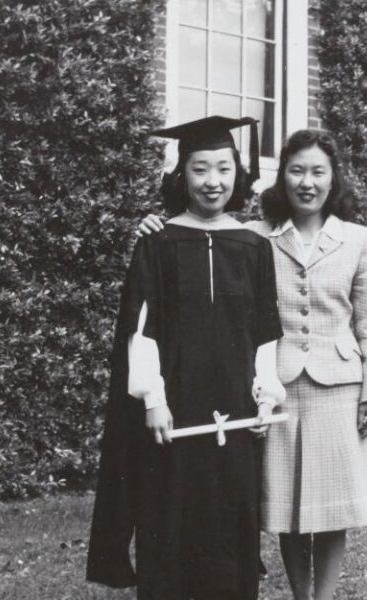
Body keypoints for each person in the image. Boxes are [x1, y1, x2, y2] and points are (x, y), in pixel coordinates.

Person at [138, 129, 367, 600]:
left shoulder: (359, 240)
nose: (306, 182)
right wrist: (154, 225)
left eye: (317, 172)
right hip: (279, 385)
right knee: (291, 504)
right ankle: (299, 594)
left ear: (334, 180)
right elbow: (202, 231)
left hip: (339, 385)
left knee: (331, 508)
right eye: (296, 171)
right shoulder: (255, 236)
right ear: (281, 178)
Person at [87, 116, 286, 600]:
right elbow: (142, 329)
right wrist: (153, 399)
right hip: (174, 410)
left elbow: (264, 333)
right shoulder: (156, 243)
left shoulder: (255, 247)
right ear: (182, 176)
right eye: (200, 169)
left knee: (227, 523)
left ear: (238, 173)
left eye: (223, 168)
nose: (212, 181)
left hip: (235, 410)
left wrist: (265, 397)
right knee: (168, 516)